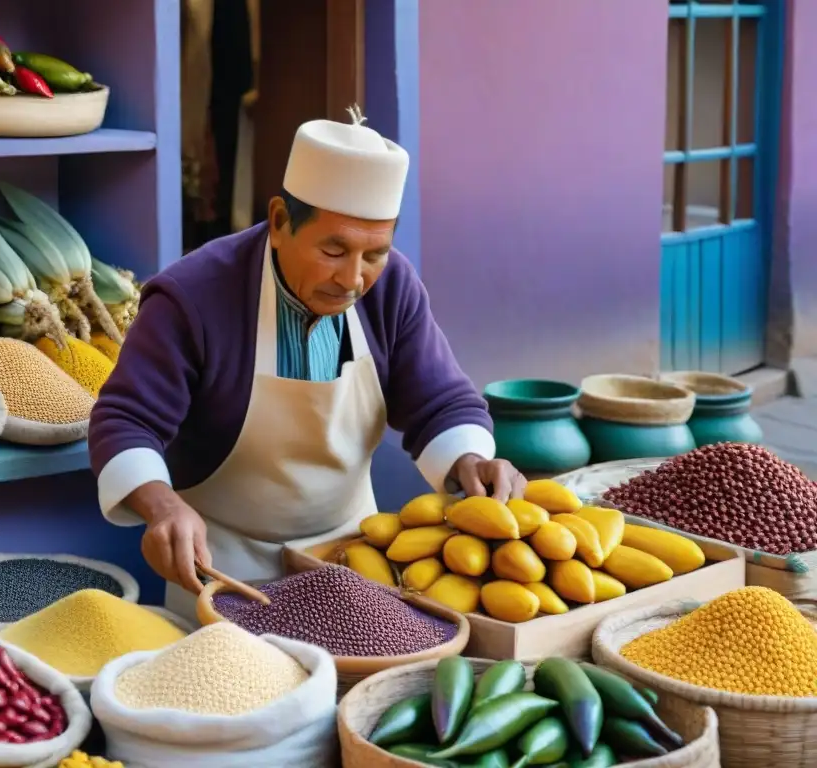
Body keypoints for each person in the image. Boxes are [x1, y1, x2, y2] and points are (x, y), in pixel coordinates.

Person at [88, 106, 527, 620]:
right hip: (222, 568)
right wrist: (161, 506)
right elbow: (124, 419)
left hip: (353, 565)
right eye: (334, 250)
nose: (353, 279)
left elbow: (440, 401)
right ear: (278, 222)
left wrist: (469, 462)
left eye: (374, 254)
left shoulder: (393, 288)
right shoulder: (195, 295)